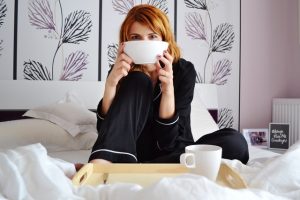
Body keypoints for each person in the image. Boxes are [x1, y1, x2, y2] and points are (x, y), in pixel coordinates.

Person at [88, 4, 249, 165]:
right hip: (132, 151)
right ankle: (107, 163)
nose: (145, 43)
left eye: (152, 36)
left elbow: (169, 141)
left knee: (235, 143)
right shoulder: (121, 70)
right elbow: (107, 133)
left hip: (177, 151)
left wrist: (168, 90)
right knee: (138, 79)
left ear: (164, 40)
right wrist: (110, 85)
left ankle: (143, 168)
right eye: (136, 37)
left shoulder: (184, 71)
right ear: (126, 43)